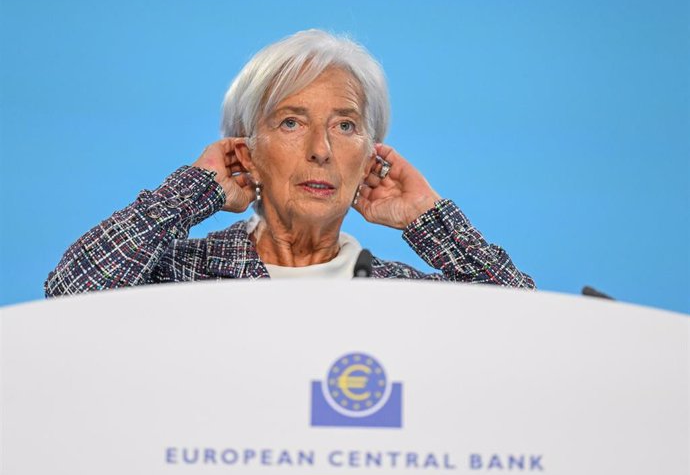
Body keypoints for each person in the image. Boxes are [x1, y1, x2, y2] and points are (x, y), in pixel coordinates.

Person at [45, 30, 535, 296]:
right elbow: (69, 295)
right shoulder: (176, 278)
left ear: (370, 159)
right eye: (291, 123)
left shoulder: (401, 295)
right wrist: (190, 192)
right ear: (246, 152)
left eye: (345, 126)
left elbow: (538, 339)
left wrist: (432, 223)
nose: (321, 150)